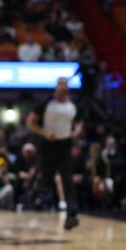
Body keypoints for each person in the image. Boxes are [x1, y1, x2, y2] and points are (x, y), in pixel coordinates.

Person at [26, 77, 83, 229]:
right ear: (56, 88)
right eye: (60, 86)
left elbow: (79, 122)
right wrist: (44, 133)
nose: (62, 89)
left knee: (67, 180)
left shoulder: (73, 106)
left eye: (65, 86)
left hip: (65, 146)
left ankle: (72, 215)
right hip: (48, 145)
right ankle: (35, 191)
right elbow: (30, 121)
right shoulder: (46, 103)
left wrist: (76, 132)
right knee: (46, 181)